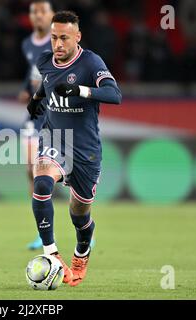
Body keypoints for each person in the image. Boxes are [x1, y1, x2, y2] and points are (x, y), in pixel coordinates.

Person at [27, 11, 122, 286]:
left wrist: (82, 91)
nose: (58, 44)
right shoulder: (44, 61)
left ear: (77, 37)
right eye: (54, 37)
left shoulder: (91, 63)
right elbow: (47, 84)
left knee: (79, 216)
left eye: (64, 38)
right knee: (42, 182)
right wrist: (35, 100)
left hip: (86, 151)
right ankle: (51, 254)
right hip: (54, 140)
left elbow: (115, 94)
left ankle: (82, 250)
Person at [17, 0, 53, 251]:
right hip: (34, 114)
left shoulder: (59, 41)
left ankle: (83, 224)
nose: (38, 16)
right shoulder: (27, 44)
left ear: (51, 15)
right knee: (32, 169)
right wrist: (25, 89)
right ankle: (42, 231)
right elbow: (32, 72)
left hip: (56, 113)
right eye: (34, 12)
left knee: (68, 175)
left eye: (42, 11)